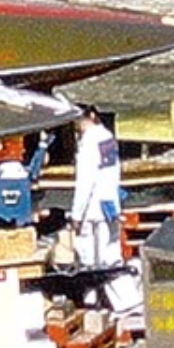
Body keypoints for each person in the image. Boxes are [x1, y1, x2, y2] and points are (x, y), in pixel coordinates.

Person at [66, 110, 125, 268]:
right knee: (111, 256)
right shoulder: (107, 136)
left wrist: (76, 214)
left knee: (88, 261)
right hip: (110, 204)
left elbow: (85, 180)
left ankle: (91, 291)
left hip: (91, 207)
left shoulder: (88, 141)